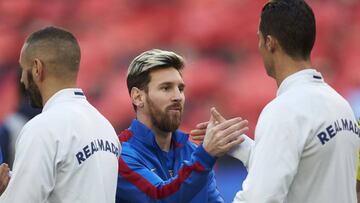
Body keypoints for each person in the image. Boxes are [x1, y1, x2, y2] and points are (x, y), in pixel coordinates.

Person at [192, 0, 360, 202]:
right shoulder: (342, 106)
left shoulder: (284, 111)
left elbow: (259, 198)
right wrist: (241, 145)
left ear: (270, 42)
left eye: (259, 38)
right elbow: (307, 169)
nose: (259, 45)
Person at [0, 26, 120, 202]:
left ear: (37, 68)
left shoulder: (42, 128)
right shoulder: (106, 127)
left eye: (23, 69)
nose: (22, 79)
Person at [116, 49, 249, 203]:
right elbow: (159, 197)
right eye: (166, 88)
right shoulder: (122, 155)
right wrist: (206, 156)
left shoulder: (192, 152)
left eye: (180, 89)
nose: (178, 97)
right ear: (138, 97)